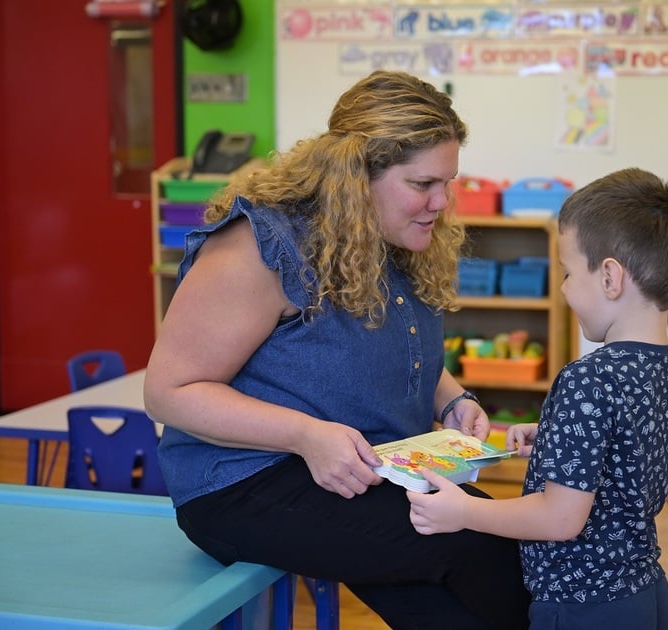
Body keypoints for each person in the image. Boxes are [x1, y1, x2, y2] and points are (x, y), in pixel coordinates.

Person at [143, 70, 530, 630]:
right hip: (243, 482)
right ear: (356, 176)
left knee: (490, 562)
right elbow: (170, 392)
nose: (442, 202)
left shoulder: (388, 233)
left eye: (448, 182)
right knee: (476, 546)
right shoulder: (259, 248)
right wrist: (306, 434)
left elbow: (390, 341)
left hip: (360, 469)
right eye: (423, 184)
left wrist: (450, 397)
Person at [408, 167, 668, 630]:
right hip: (647, 594)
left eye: (566, 272)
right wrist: (556, 436)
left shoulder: (588, 379)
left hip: (583, 606)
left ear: (609, 278)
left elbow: (561, 519)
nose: (562, 289)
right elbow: (660, 481)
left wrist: (463, 510)